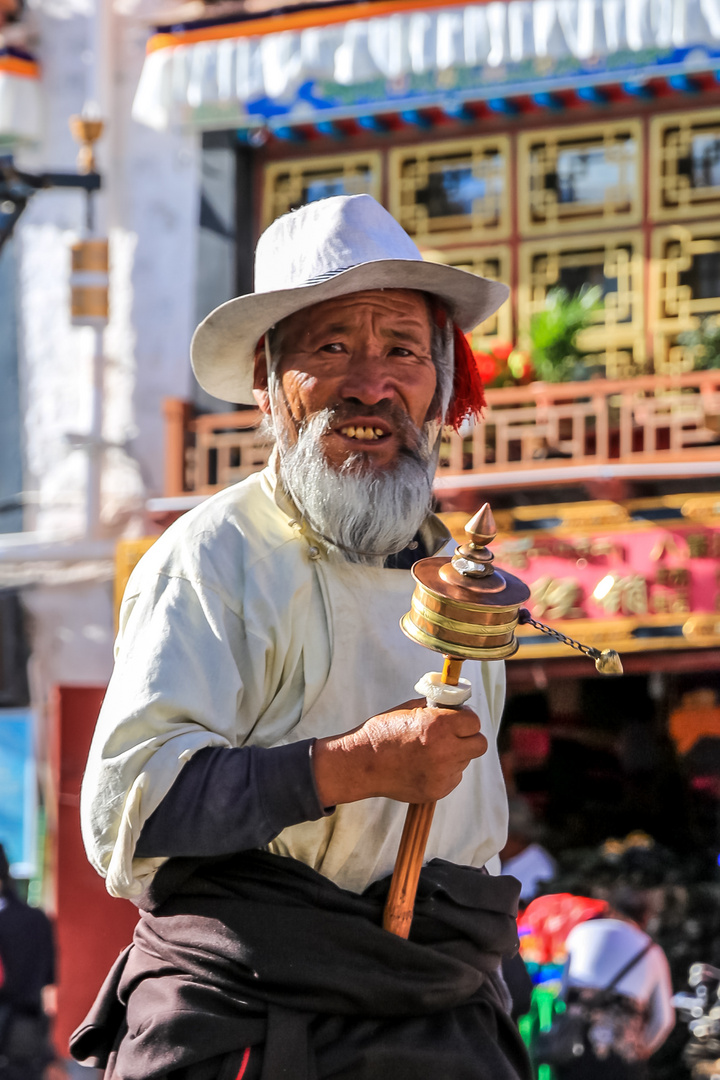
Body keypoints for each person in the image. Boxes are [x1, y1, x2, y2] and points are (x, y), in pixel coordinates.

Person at [71, 194, 531, 1080]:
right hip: (253, 1015)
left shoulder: (462, 586)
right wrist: (355, 764)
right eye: (331, 349)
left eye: (403, 350)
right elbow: (129, 812)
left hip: (438, 1012)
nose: (371, 384)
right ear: (268, 385)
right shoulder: (211, 560)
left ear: (441, 386)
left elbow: (470, 848)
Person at [555, 889, 675, 1080]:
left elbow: (561, 993)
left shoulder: (580, 932)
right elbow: (665, 1020)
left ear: (611, 907)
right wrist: (640, 1050)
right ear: (645, 916)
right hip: (621, 1058)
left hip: (573, 1048)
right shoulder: (652, 951)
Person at [0, 845, 58, 1080]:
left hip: (19, 1042)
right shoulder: (36, 920)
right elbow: (49, 985)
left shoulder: (33, 921)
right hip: (26, 1038)